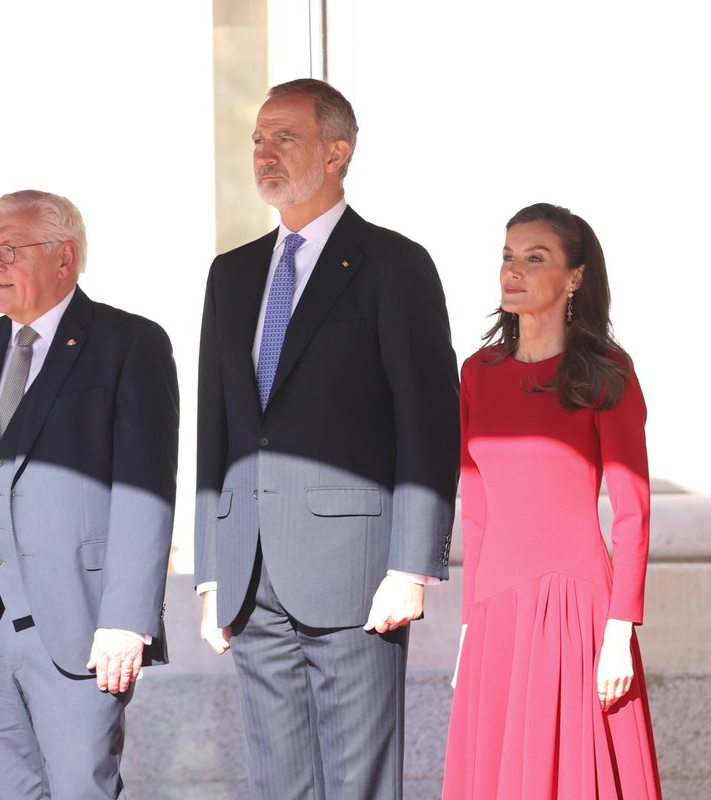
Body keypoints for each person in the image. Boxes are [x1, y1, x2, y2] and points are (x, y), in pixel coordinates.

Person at [194, 78, 460, 799]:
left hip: (356, 574)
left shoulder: (394, 266)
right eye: (258, 138)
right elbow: (216, 431)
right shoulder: (232, 274)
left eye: (286, 137)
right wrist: (214, 571)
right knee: (278, 781)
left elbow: (428, 422)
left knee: (358, 782)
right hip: (251, 574)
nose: (264, 153)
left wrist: (412, 566)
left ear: (337, 151)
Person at [0, 190, 179, 799]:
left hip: (82, 628)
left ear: (66, 258)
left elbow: (146, 491)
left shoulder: (130, 344)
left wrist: (127, 620)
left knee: (83, 790)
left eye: (10, 249)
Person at [442, 203, 662, 798]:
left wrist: (620, 630)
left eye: (535, 258)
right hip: (496, 612)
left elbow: (633, 511)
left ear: (575, 278)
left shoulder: (608, 373)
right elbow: (478, 513)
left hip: (579, 609)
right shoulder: (477, 374)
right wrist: (467, 626)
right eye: (508, 255)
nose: (513, 270)